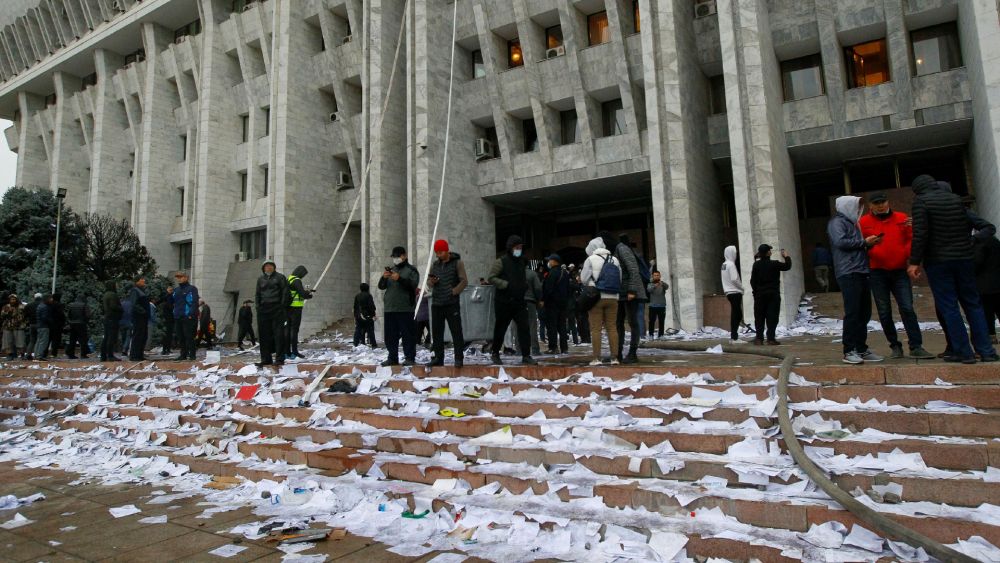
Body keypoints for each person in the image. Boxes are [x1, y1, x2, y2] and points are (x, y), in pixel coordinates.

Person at [908, 174, 999, 363]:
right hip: (965, 260)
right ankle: (986, 351)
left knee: (949, 306)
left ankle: (964, 352)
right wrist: (972, 241)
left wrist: (914, 261)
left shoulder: (921, 202)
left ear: (917, 190)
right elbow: (988, 227)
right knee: (973, 304)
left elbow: (921, 234)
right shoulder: (956, 200)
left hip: (939, 261)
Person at [858, 193, 933, 359]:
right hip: (877, 271)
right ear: (870, 206)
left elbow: (910, 238)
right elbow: (861, 244)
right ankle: (895, 346)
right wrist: (870, 248)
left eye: (883, 202)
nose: (880, 205)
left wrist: (906, 255)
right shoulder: (864, 222)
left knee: (907, 307)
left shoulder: (901, 218)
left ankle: (916, 346)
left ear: (888, 202)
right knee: (884, 311)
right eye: (876, 203)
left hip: (899, 270)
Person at [828, 195, 884, 364]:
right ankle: (849, 349)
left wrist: (868, 243)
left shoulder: (853, 223)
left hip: (861, 271)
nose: (858, 210)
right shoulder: (837, 223)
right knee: (853, 312)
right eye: (855, 206)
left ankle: (861, 347)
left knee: (864, 312)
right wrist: (864, 242)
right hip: (848, 272)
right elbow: (840, 242)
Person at [488, 235, 537, 365]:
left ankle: (526, 355)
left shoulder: (522, 261)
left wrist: (524, 285)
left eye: (520, 247)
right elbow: (491, 278)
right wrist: (505, 284)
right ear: (510, 248)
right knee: (501, 328)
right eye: (517, 247)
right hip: (504, 301)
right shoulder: (501, 262)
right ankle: (495, 352)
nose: (519, 250)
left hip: (519, 301)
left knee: (524, 328)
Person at [427, 239, 468, 368]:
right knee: (437, 333)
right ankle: (439, 358)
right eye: (437, 253)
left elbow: (464, 281)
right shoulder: (435, 264)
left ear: (446, 250)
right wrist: (432, 281)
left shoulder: (457, 263)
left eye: (440, 252)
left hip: (451, 303)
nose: (438, 255)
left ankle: (458, 358)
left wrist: (454, 291)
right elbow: (428, 283)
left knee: (456, 331)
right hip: (437, 303)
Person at [581, 236, 621, 366]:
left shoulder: (590, 259)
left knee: (596, 329)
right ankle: (615, 358)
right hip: (613, 297)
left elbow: (584, 279)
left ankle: (596, 358)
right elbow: (619, 279)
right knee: (612, 328)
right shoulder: (614, 259)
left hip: (596, 297)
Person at [378, 247, 419, 367]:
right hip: (390, 308)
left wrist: (399, 279)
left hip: (405, 308)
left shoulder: (411, 270)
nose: (395, 259)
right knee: (390, 336)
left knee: (408, 334)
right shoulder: (392, 270)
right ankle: (392, 357)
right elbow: (381, 287)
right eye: (394, 257)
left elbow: (413, 285)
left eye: (397, 256)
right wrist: (384, 277)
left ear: (404, 256)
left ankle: (410, 357)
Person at [613, 233, 647, 364]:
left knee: (632, 323)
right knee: (619, 323)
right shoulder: (620, 249)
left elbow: (633, 269)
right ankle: (619, 353)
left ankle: (632, 353)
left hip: (630, 293)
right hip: (621, 292)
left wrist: (632, 290)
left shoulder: (622, 248)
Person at [749, 244, 792, 346]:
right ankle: (771, 339)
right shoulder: (774, 264)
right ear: (768, 253)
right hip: (773, 295)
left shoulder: (756, 265)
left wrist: (755, 293)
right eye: (770, 250)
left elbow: (752, 281)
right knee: (772, 317)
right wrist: (786, 256)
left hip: (760, 295)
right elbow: (787, 266)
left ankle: (759, 338)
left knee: (759, 317)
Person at [256, 261, 290, 367]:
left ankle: (280, 358)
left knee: (278, 335)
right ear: (263, 268)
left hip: (276, 309)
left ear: (274, 268)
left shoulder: (280, 277)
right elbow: (257, 294)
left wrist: (282, 306)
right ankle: (266, 359)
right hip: (263, 310)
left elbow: (285, 292)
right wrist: (258, 306)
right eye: (266, 266)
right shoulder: (260, 279)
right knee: (264, 335)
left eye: (270, 266)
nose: (268, 268)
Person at [974, 234, 1000, 343]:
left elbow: (977, 262)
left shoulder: (981, 244)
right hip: (998, 282)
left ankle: (991, 335)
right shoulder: (996, 243)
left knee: (987, 311)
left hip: (985, 285)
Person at [542, 254, 569, 354]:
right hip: (563, 304)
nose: (548, 262)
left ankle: (553, 347)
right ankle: (564, 348)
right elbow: (568, 289)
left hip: (552, 304)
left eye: (549, 260)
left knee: (551, 326)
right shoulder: (565, 273)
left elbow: (548, 289)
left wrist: (543, 300)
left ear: (554, 261)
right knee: (562, 326)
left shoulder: (552, 273)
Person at [285, 265, 313, 359]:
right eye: (303, 274)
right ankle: (295, 352)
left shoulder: (289, 279)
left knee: (288, 330)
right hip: (296, 308)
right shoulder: (297, 280)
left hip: (288, 308)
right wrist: (309, 294)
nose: (303, 276)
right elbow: (302, 294)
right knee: (294, 330)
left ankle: (287, 352)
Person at [172, 272, 199, 361]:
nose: (179, 279)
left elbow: (194, 302)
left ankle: (192, 355)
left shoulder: (192, 289)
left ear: (186, 278)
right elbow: (173, 302)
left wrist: (190, 314)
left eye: (181, 277)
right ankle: (183, 354)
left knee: (189, 336)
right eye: (178, 277)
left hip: (188, 317)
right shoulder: (176, 290)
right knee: (180, 337)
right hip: (178, 317)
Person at [720, 246, 744, 343]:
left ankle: (734, 336)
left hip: (728, 292)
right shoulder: (731, 265)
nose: (736, 255)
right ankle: (734, 337)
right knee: (737, 314)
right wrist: (741, 287)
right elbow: (734, 279)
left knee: (736, 313)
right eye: (735, 253)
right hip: (735, 291)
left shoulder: (724, 264)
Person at [519, 263, 542, 357]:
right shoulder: (532, 274)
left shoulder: (513, 273)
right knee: (532, 326)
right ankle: (535, 349)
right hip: (530, 301)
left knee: (518, 326)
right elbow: (538, 288)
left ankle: (519, 349)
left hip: (517, 303)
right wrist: (538, 300)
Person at [126, 278, 149, 361]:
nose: (144, 281)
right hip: (138, 317)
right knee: (138, 335)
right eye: (142, 280)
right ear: (137, 281)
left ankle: (139, 354)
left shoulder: (141, 291)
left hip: (143, 317)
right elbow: (134, 304)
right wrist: (143, 311)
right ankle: (134, 355)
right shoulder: (135, 291)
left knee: (143, 336)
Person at [101, 282, 123, 362]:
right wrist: (121, 308)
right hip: (113, 318)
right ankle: (110, 355)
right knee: (111, 337)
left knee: (106, 337)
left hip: (107, 318)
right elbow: (113, 306)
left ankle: (103, 355)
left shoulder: (106, 294)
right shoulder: (113, 295)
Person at [1, 294, 27, 360]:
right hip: (8, 327)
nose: (13, 301)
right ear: (9, 300)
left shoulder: (22, 306)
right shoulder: (6, 307)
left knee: (20, 341)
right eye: (11, 299)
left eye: (14, 299)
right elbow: (2, 316)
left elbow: (26, 316)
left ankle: (22, 355)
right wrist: (7, 312)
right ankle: (10, 355)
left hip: (19, 327)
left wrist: (25, 323)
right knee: (8, 342)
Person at [65, 294, 90, 359]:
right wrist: (86, 321)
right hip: (81, 324)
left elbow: (68, 315)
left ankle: (70, 354)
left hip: (72, 324)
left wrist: (70, 322)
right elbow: (87, 315)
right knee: (83, 340)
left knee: (72, 339)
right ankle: (83, 354)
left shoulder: (71, 305)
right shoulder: (84, 305)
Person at [647, 271, 668, 339]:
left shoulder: (662, 284)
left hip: (662, 306)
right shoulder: (650, 284)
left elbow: (667, 286)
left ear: (660, 276)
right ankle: (651, 335)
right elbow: (649, 290)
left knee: (661, 321)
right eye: (655, 275)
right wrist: (654, 286)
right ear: (653, 276)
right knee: (651, 321)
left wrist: (662, 284)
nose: (656, 276)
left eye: (658, 275)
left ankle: (661, 335)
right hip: (653, 306)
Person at [34, 294, 53, 361]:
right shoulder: (45, 307)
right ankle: (39, 356)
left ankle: (36, 355)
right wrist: (51, 322)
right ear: (47, 299)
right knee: (43, 342)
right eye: (50, 298)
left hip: (39, 326)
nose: (52, 300)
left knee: (38, 341)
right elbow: (44, 318)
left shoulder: (40, 306)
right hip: (44, 326)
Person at [24, 293, 41, 360]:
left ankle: (28, 354)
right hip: (40, 324)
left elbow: (25, 315)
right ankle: (37, 354)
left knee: (32, 340)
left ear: (34, 297)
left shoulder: (29, 305)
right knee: (39, 340)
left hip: (32, 324)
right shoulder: (42, 304)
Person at [49, 294, 65, 358]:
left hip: (50, 324)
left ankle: (44, 353)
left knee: (48, 339)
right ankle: (53, 353)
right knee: (56, 340)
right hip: (57, 325)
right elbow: (61, 315)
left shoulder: (50, 304)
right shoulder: (59, 305)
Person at [159, 287, 174, 355]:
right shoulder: (169, 298)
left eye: (171, 290)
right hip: (168, 319)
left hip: (168, 319)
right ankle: (165, 349)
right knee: (167, 335)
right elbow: (171, 307)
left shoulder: (167, 298)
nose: (171, 291)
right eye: (170, 290)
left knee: (168, 335)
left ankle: (166, 349)